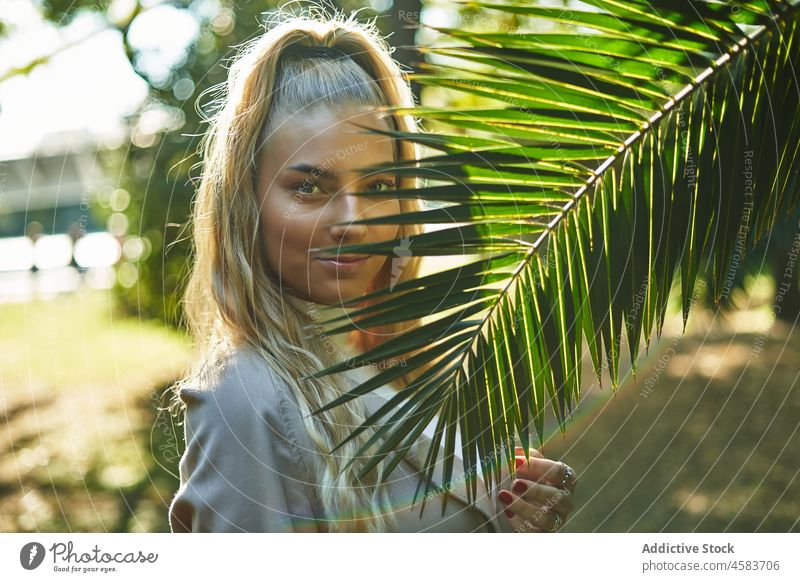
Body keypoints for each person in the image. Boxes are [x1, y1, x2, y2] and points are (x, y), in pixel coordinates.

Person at [167, 7, 577, 533]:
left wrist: (513, 513)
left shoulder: (409, 356)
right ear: (247, 201)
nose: (352, 222)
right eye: (309, 187)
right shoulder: (246, 397)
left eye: (379, 187)